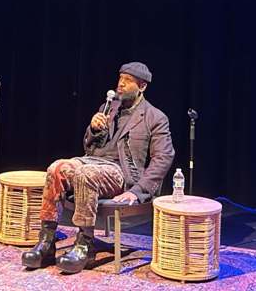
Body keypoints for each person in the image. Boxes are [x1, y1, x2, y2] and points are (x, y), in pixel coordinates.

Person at [21, 61, 174, 273]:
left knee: (86, 173)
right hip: (93, 163)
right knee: (56, 168)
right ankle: (46, 242)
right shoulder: (108, 108)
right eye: (120, 79)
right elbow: (89, 146)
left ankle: (84, 243)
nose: (120, 84)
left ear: (142, 86)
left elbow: (163, 157)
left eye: (127, 81)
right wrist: (93, 129)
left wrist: (137, 191)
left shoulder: (154, 117)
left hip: (122, 173)